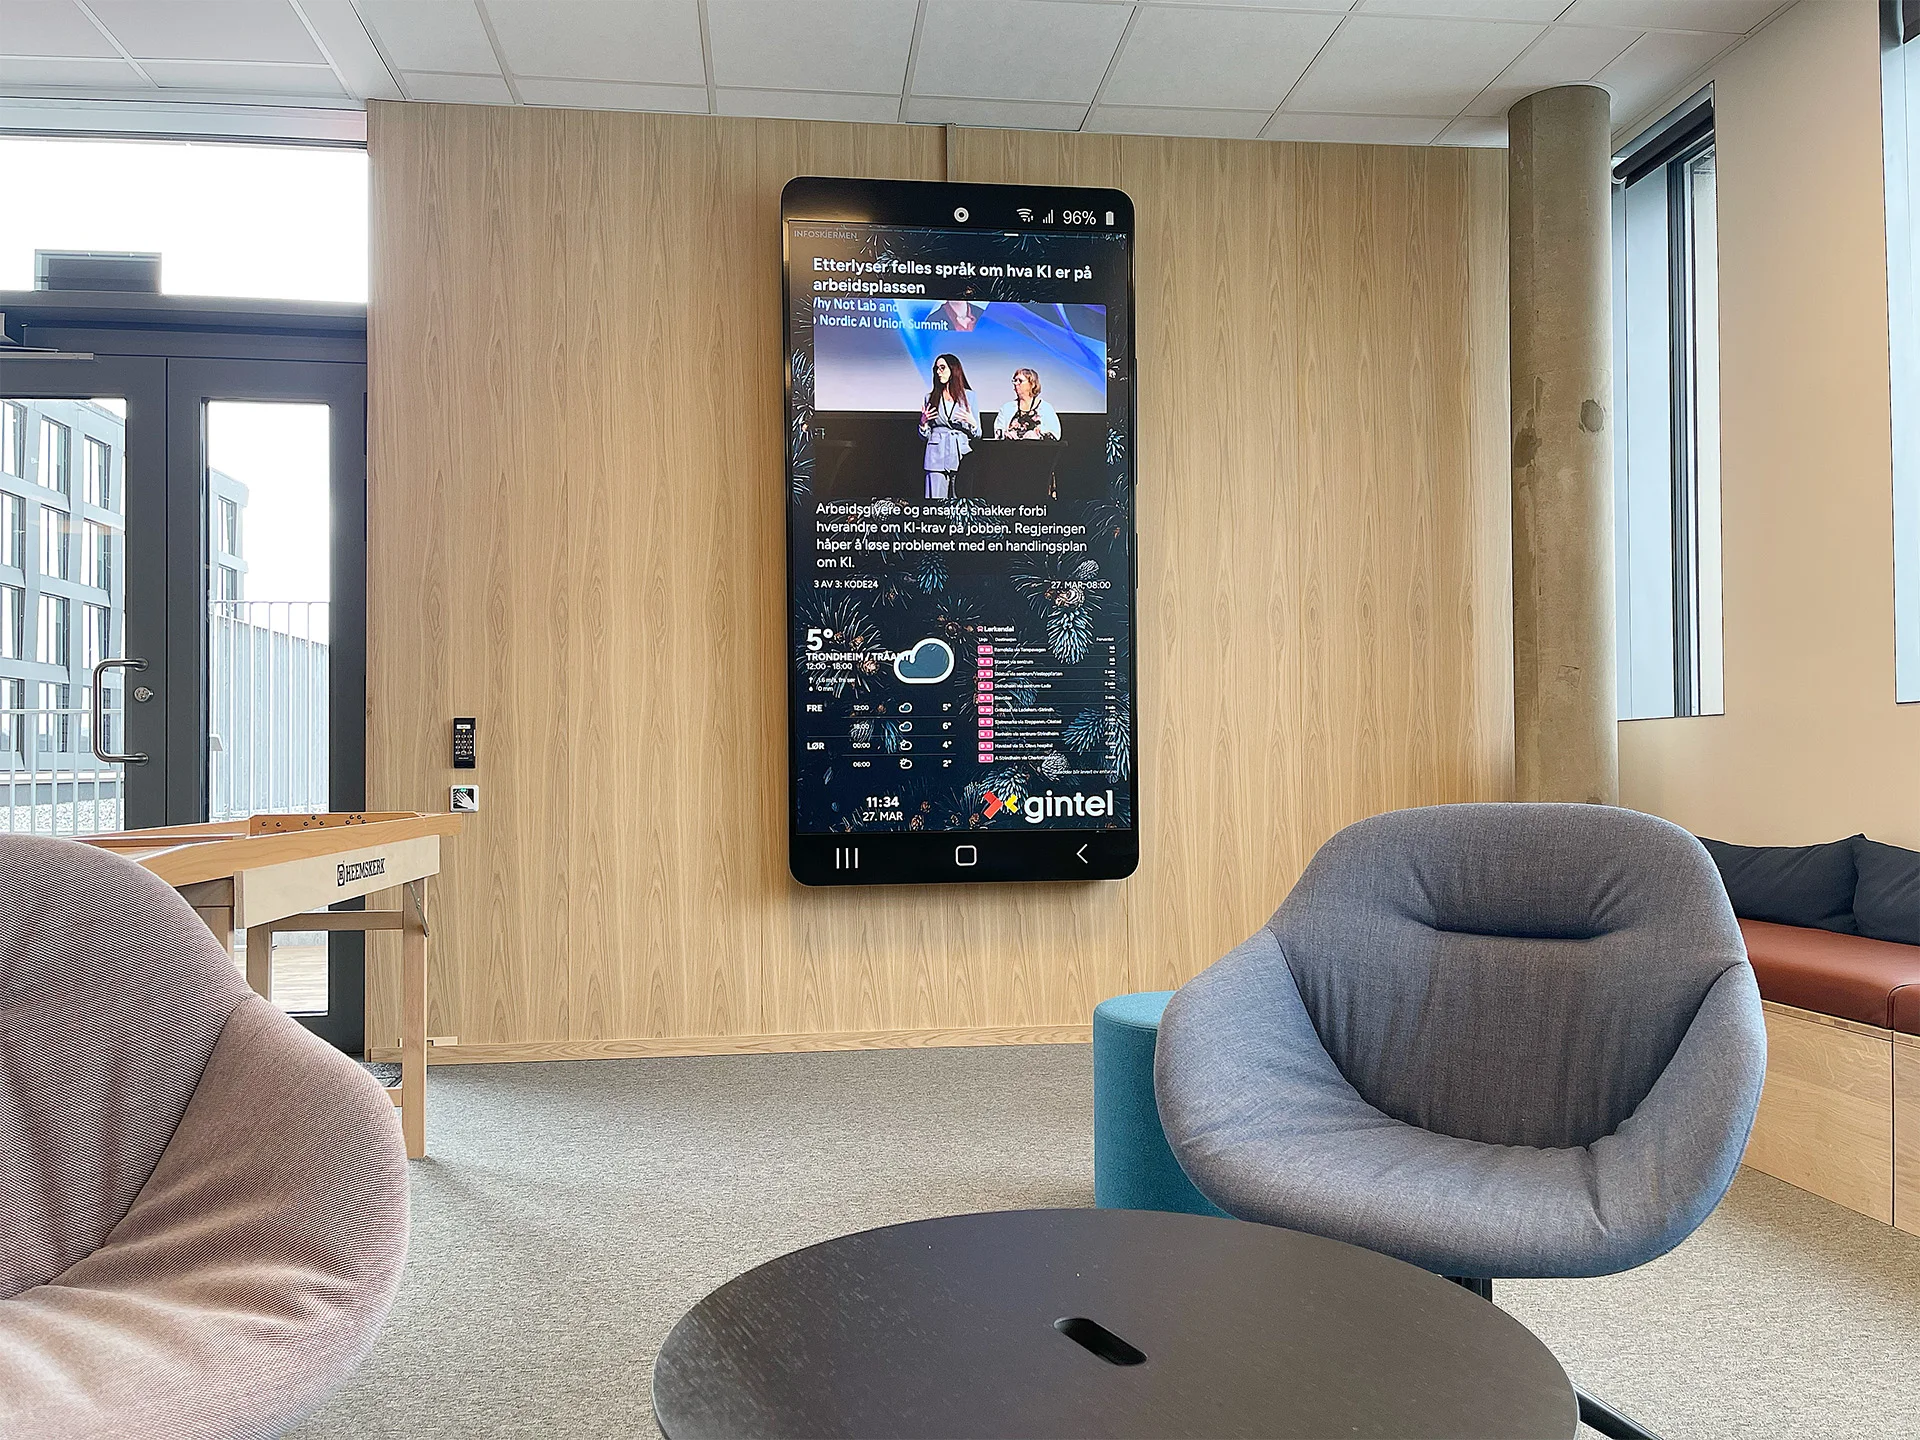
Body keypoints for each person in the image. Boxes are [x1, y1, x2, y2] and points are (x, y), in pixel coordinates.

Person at [919, 353, 978, 499]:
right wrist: (923, 423)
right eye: (936, 369)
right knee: (935, 504)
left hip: (960, 454)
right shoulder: (930, 398)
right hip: (936, 456)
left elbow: (978, 433)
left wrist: (972, 423)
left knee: (960, 503)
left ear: (953, 370)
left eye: (942, 368)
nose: (939, 372)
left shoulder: (969, 396)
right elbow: (924, 436)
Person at [992, 367, 1061, 440]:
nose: (1016, 383)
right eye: (1015, 380)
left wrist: (1037, 436)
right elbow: (998, 433)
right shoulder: (1006, 408)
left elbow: (1055, 435)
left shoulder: (1046, 408)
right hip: (1010, 446)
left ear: (1032, 384)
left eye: (1020, 381)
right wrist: (1005, 435)